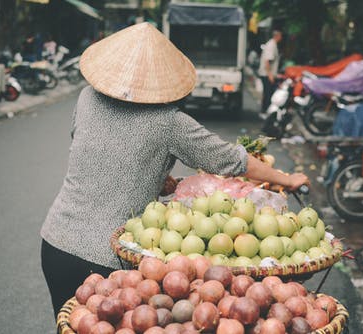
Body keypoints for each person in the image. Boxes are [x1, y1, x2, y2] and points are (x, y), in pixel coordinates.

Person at [40, 23, 309, 317]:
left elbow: (92, 155)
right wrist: (288, 179)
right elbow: (232, 160)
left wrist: (152, 178)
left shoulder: (86, 98)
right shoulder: (169, 121)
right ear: (163, 80)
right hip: (108, 258)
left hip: (56, 243)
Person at [258, 30, 283, 118]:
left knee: (268, 92)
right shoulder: (271, 45)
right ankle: (265, 111)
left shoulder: (272, 44)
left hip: (268, 74)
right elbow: (267, 61)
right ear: (277, 36)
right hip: (266, 74)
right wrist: (270, 75)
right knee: (268, 93)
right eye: (281, 36)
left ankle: (266, 111)